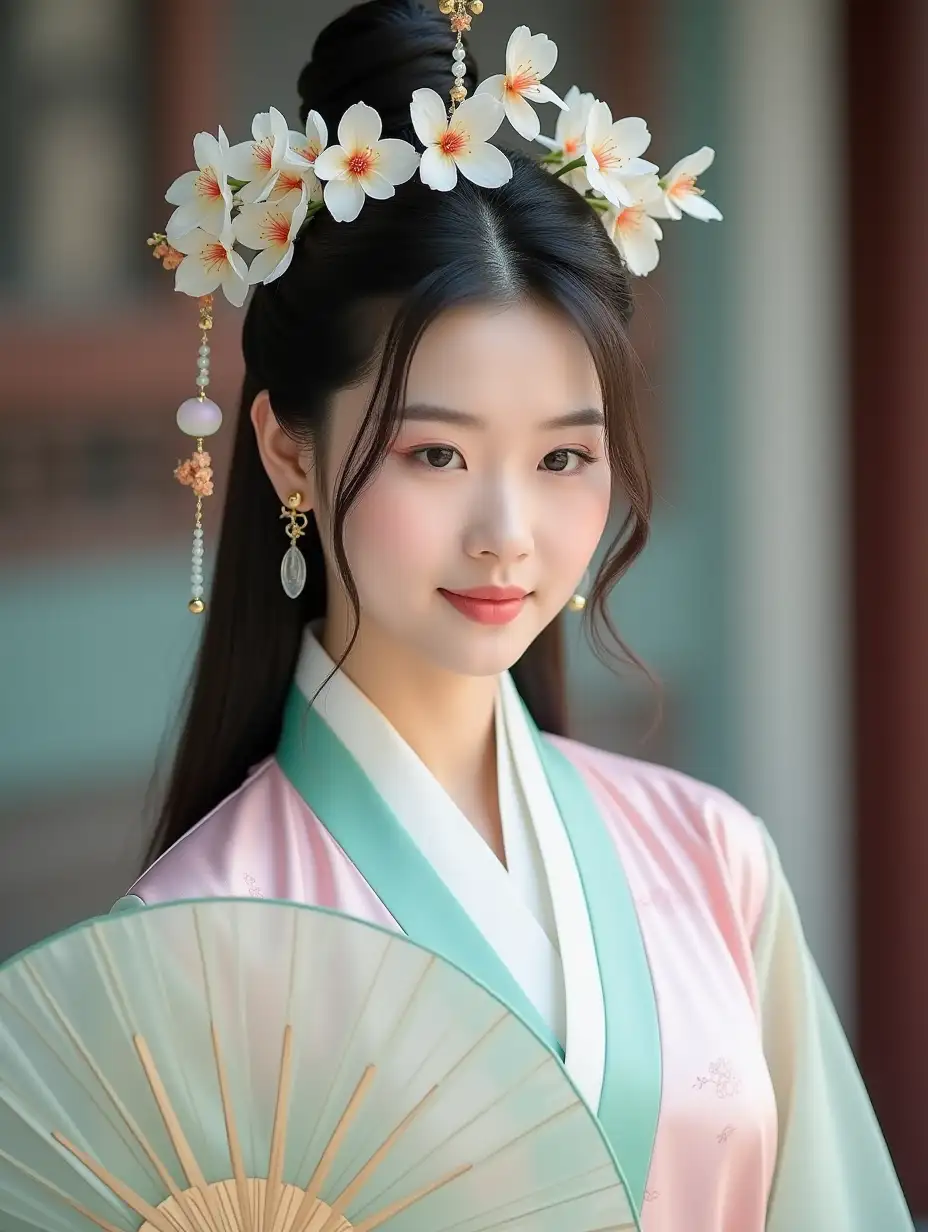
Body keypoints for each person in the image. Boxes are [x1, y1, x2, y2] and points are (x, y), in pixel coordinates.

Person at [117, 1, 913, 1227]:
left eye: (561, 459)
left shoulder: (714, 861)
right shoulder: (186, 945)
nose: (507, 532)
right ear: (286, 448)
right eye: (434, 454)